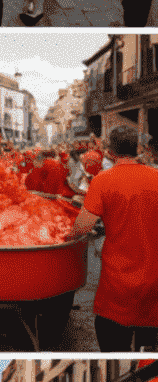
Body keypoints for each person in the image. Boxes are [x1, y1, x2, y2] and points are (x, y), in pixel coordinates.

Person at [73, 125, 158, 351]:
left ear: (110, 151)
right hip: (154, 285)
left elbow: (82, 227)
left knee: (113, 348)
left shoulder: (103, 180)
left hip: (116, 288)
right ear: (138, 149)